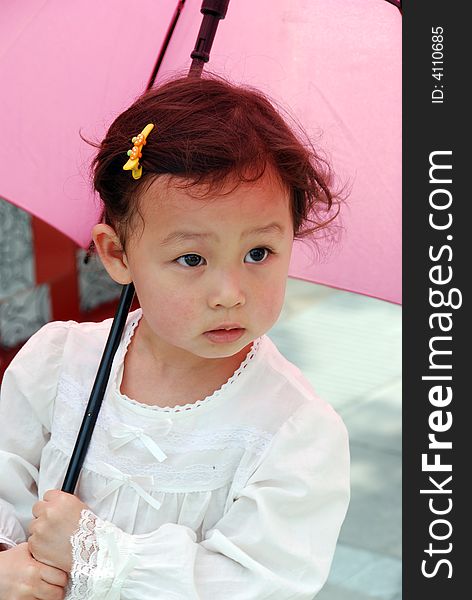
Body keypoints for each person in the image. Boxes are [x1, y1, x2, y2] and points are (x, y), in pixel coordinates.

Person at [0, 72, 350, 599]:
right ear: (117, 254)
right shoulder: (57, 365)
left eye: (259, 253)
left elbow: (258, 583)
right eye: (191, 258)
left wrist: (97, 551)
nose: (230, 293)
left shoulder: (293, 432)